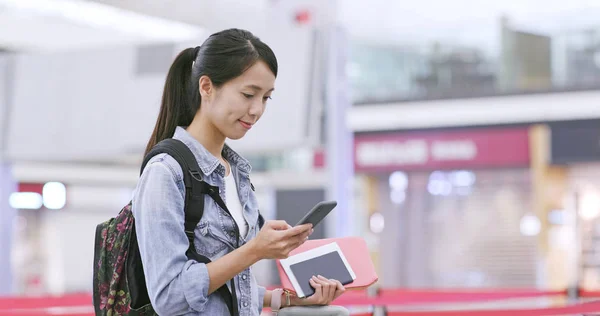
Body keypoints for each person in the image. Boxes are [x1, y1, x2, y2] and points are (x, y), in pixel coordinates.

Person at [133, 28, 345, 316]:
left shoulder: (237, 173)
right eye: (248, 94)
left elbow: (226, 291)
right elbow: (170, 296)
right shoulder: (165, 173)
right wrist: (255, 250)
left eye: (266, 98)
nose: (256, 110)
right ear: (206, 87)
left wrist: (292, 299)